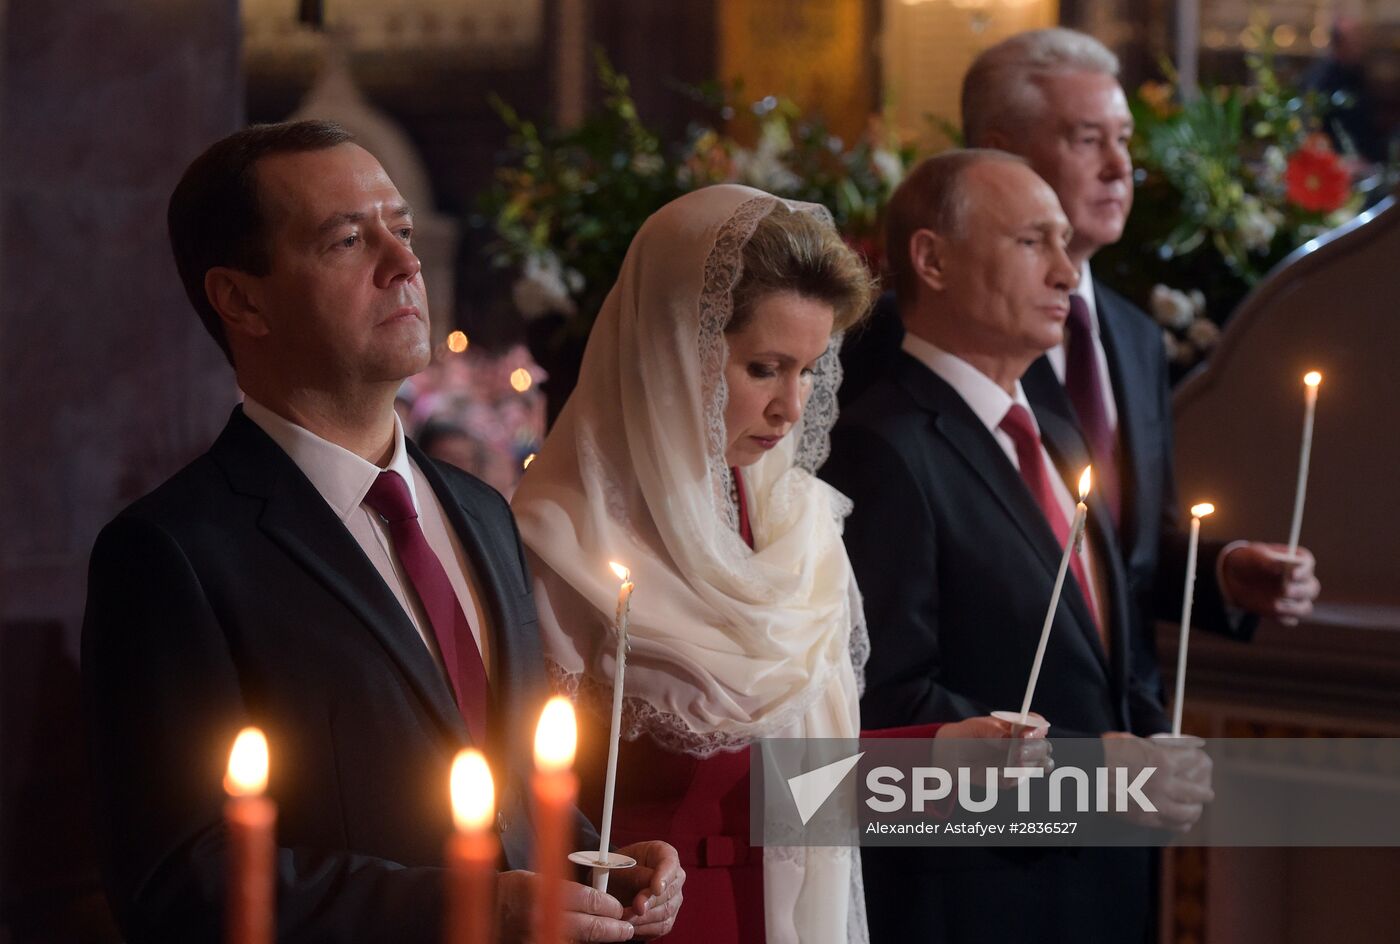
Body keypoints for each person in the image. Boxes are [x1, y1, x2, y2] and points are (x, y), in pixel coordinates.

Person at [82, 120, 682, 942]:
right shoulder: (171, 554)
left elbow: (510, 793)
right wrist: (473, 908)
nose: (404, 263)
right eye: (346, 240)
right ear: (240, 298)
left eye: (401, 230)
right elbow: (180, 879)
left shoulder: (480, 512)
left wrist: (600, 864)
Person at [512, 184, 1046, 944]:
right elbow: (521, 805)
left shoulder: (800, 522)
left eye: (809, 369)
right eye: (764, 368)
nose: (791, 407)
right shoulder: (557, 537)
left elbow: (792, 790)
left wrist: (939, 756)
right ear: (672, 354)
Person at [822, 149, 1214, 943]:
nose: (1070, 274)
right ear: (931, 258)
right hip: (981, 897)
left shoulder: (1054, 426)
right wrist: (1091, 773)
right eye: (1034, 243)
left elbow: (1107, 637)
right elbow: (885, 703)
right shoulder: (883, 446)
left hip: (1103, 883)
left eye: (1067, 244)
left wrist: (1152, 750)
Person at [958, 28, 1323, 699]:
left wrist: (1225, 572)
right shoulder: (944, 333)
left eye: (1123, 139)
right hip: (997, 751)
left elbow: (1129, 549)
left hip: (1134, 734)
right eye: (1087, 139)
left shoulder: (1132, 334)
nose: (1120, 168)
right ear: (1000, 154)